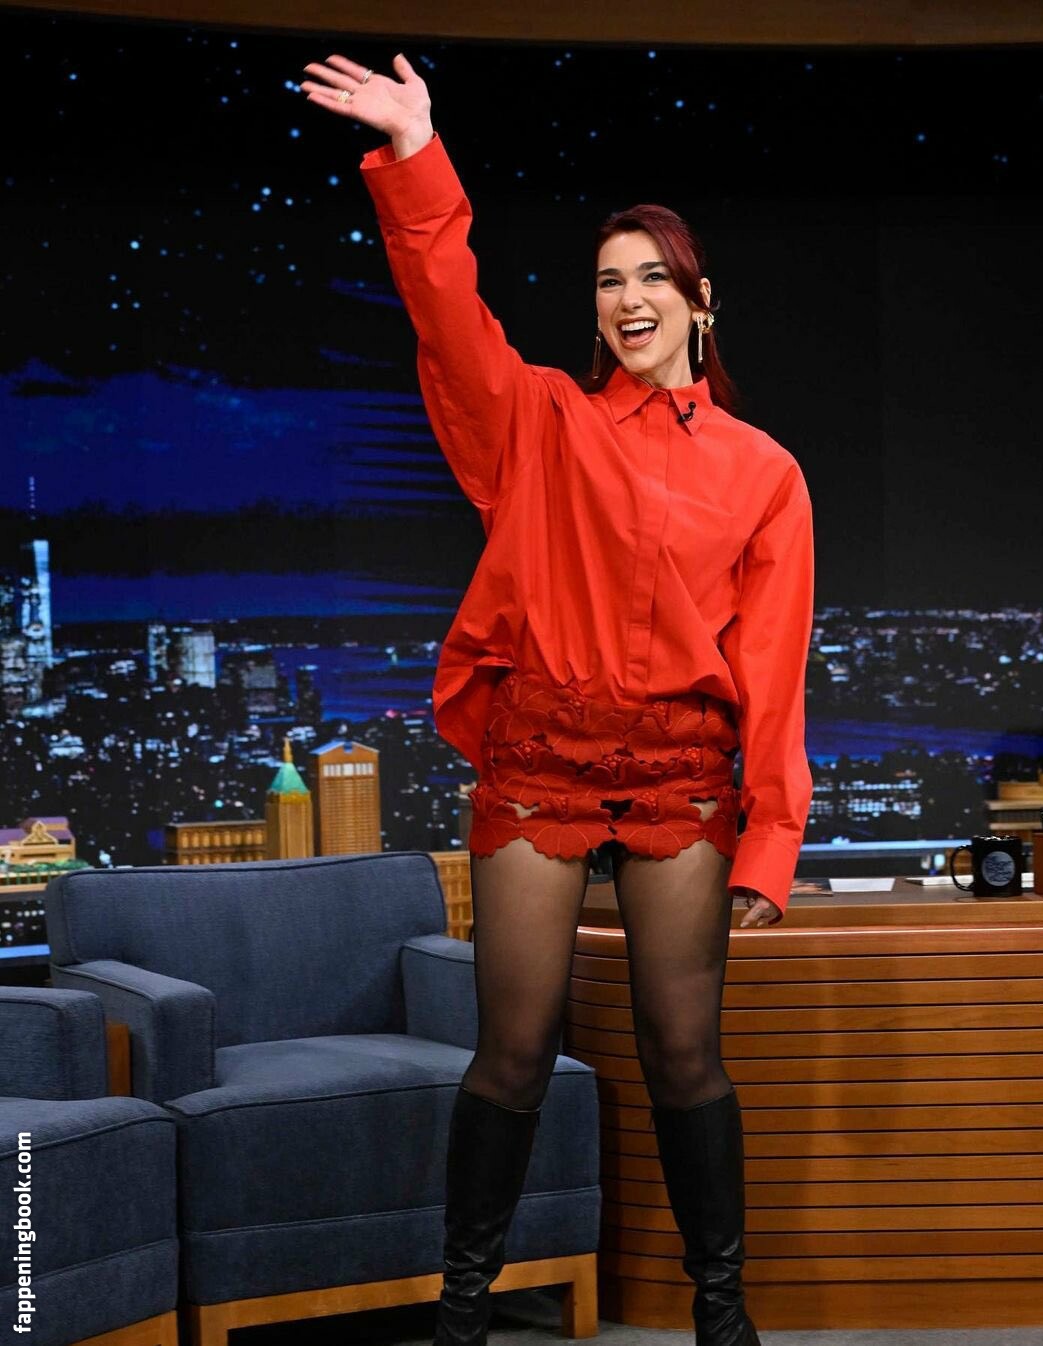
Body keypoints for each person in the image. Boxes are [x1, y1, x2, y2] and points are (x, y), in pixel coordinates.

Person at [301, 51, 815, 1346]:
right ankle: (463, 1314)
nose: (628, 299)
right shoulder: (537, 420)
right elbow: (447, 309)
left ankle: (722, 1314)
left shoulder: (766, 472)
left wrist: (771, 834)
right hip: (541, 761)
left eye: (653, 277)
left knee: (683, 1053)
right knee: (514, 1050)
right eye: (607, 280)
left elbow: (774, 669)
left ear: (700, 301)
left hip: (681, 773)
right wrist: (415, 153)